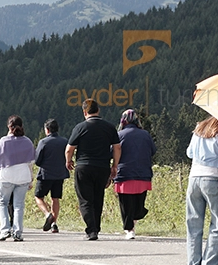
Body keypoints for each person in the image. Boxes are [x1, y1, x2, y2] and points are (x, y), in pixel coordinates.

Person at [185, 116, 218, 265]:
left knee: (193, 224)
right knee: (217, 223)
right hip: (212, 178)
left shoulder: (199, 128)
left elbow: (189, 153)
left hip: (193, 178)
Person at [66, 99, 121, 240]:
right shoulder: (109, 127)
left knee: (85, 200)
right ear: (98, 110)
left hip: (83, 166)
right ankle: (96, 227)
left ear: (85, 112)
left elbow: (69, 149)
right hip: (102, 167)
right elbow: (117, 148)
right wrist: (114, 165)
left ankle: (91, 230)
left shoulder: (80, 127)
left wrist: (68, 160)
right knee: (98, 198)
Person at [0, 115, 37, 241]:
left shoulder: (4, 141)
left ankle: (5, 229)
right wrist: (31, 177)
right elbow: (31, 161)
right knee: (19, 205)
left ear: (9, 127)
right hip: (23, 175)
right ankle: (17, 232)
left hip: (6, 175)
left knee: (3, 202)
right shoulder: (27, 141)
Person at [114, 109, 155, 239]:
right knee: (139, 202)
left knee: (125, 203)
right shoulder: (146, 135)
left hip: (124, 173)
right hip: (143, 173)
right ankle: (135, 219)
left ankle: (129, 228)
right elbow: (153, 151)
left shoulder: (119, 135)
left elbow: (112, 151)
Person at [33, 119, 68, 232]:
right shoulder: (64, 141)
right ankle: (54, 224)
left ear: (47, 130)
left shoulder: (43, 142)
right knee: (55, 198)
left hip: (45, 174)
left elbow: (37, 160)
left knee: (38, 197)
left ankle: (48, 214)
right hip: (60, 174)